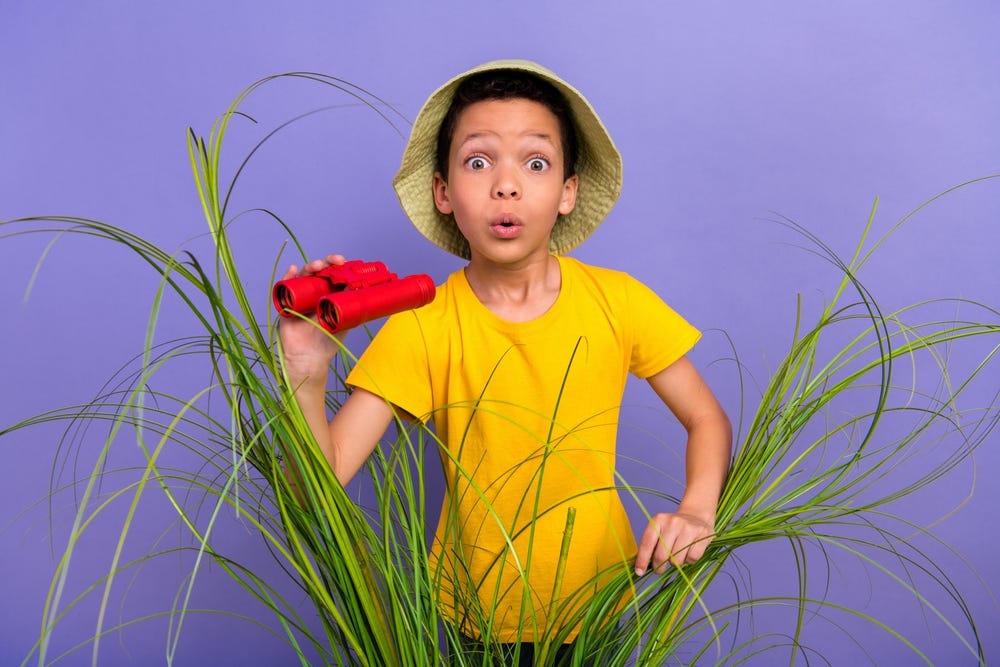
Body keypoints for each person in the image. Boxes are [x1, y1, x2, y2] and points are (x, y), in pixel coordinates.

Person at [277, 59, 732, 664]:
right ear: (444, 191)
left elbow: (708, 420)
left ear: (568, 191)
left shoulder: (618, 301)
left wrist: (697, 511)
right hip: (475, 618)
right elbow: (316, 489)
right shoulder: (423, 323)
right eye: (478, 161)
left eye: (536, 163)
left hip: (602, 603)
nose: (506, 185)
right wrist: (306, 371)